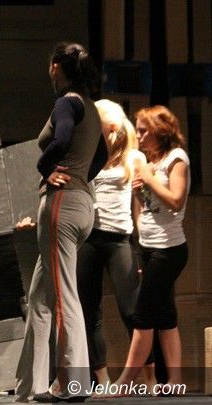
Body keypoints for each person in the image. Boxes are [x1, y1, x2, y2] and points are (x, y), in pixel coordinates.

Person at [14, 42, 108, 402]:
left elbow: (63, 137)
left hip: (61, 205)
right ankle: (30, 386)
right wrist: (81, 176)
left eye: (50, 67)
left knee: (64, 296)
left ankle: (73, 382)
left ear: (56, 66)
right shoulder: (92, 107)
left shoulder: (67, 102)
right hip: (82, 206)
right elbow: (103, 154)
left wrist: (46, 168)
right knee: (39, 298)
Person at [109, 105, 189, 394]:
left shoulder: (176, 159)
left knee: (142, 316)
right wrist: (139, 190)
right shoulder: (152, 163)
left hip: (169, 250)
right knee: (165, 315)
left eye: (144, 131)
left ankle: (124, 383)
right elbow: (149, 209)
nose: (139, 137)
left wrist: (149, 178)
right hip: (148, 246)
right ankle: (176, 381)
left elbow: (176, 200)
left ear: (160, 131)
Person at [76, 99, 153, 385]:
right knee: (89, 311)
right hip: (89, 238)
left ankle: (149, 379)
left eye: (109, 128)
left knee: (132, 310)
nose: (106, 134)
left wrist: (143, 249)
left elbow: (142, 206)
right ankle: (103, 379)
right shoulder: (87, 155)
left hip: (120, 238)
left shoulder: (134, 158)